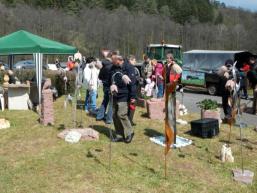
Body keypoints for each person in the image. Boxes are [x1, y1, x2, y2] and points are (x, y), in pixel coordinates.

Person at [109, 54, 136, 143]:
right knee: (114, 115)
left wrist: (133, 96)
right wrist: (112, 84)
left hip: (124, 94)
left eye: (113, 60)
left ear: (118, 60)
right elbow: (111, 77)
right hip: (115, 93)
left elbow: (132, 83)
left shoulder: (129, 67)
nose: (111, 61)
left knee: (121, 114)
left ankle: (129, 132)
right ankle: (119, 135)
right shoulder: (114, 67)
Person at [96, 50, 113, 124]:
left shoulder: (103, 66)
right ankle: (109, 119)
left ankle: (99, 116)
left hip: (105, 85)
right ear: (111, 57)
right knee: (112, 103)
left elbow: (99, 76)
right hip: (110, 85)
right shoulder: (112, 66)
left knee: (105, 101)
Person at [128, 55, 141, 125]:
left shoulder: (128, 67)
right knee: (132, 105)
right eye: (134, 60)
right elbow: (132, 81)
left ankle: (129, 120)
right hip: (132, 90)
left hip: (131, 90)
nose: (135, 61)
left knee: (130, 106)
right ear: (131, 60)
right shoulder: (131, 68)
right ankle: (129, 120)